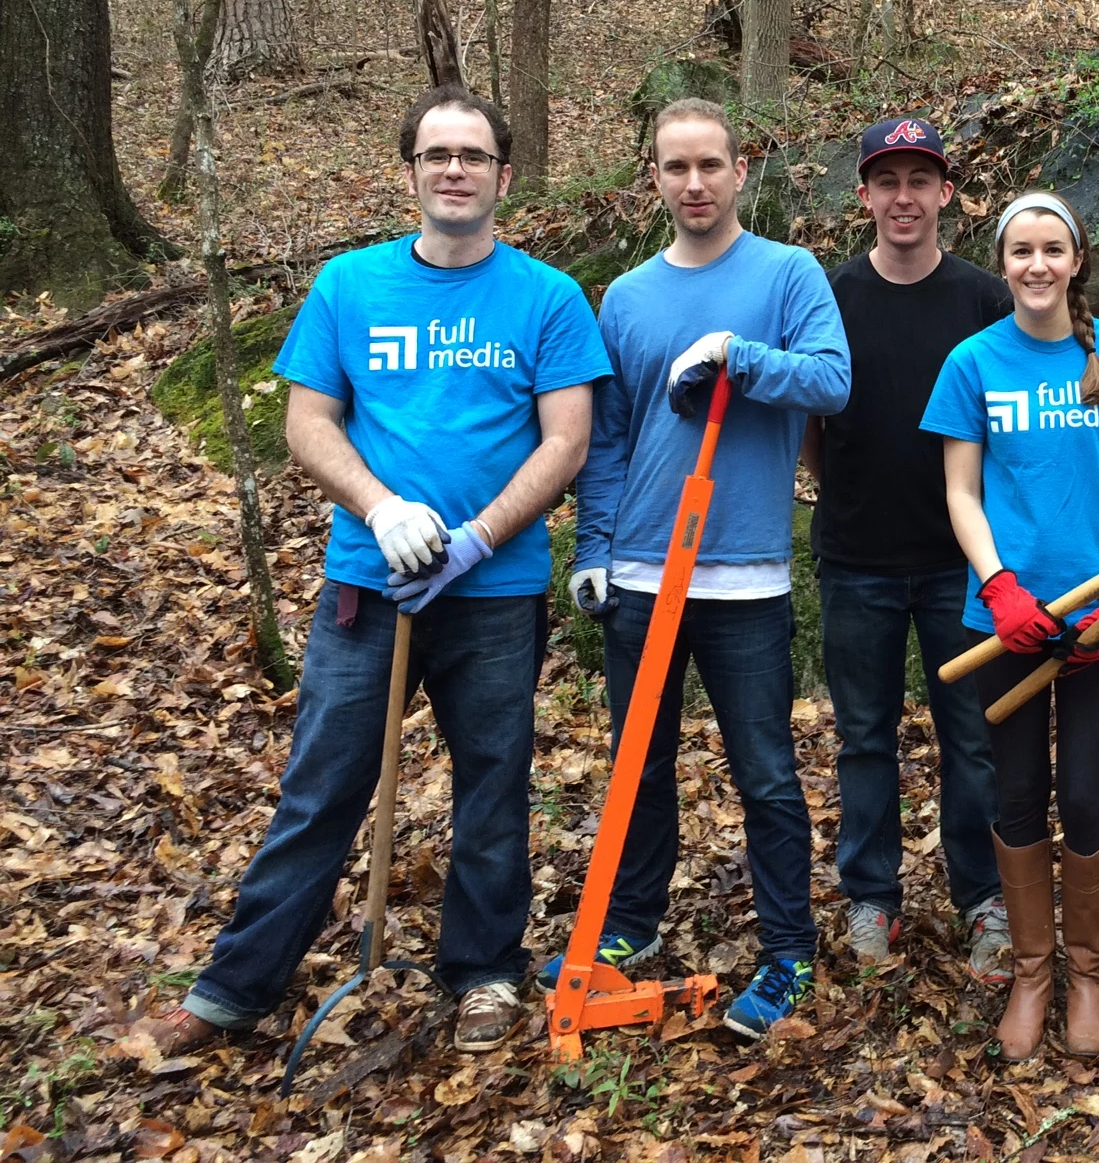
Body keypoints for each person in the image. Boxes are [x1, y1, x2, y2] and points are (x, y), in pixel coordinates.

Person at [141, 87, 612, 1057]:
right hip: (368, 584)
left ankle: (483, 971)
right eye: (437, 154)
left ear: (503, 177)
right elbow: (307, 422)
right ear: (410, 174)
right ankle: (235, 987)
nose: (455, 170)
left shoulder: (548, 297)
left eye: (473, 156)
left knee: (494, 789)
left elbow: (567, 441)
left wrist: (479, 536)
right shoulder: (349, 286)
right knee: (322, 785)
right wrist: (380, 507)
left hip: (496, 593)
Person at [563, 97, 851, 1041]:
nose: (694, 184)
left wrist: (738, 355)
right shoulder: (627, 297)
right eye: (675, 168)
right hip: (643, 571)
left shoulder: (787, 273)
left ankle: (788, 949)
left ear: (739, 171)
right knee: (638, 763)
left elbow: (832, 380)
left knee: (764, 773)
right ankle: (632, 923)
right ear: (653, 177)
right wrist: (595, 548)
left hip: (744, 579)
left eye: (710, 166)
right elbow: (608, 436)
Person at [921, 193, 1099, 1061]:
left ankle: (1089, 974)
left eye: (1052, 249)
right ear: (1003, 262)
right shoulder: (972, 361)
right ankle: (1033, 973)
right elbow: (960, 492)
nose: (1037, 265)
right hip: (1007, 621)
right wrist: (999, 588)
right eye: (1021, 250)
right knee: (1017, 791)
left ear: (1077, 260)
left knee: (1086, 793)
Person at [800, 117, 1013, 979]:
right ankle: (871, 898)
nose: (904, 197)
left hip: (962, 563)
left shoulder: (984, 299)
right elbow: (812, 422)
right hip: (857, 558)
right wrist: (843, 491)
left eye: (920, 180)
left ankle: (984, 896)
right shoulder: (831, 296)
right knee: (864, 736)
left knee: (974, 735)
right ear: (863, 195)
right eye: (887, 181)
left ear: (946, 193)